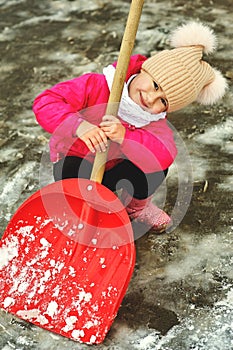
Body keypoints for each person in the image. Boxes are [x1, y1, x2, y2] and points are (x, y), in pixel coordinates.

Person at [33, 21, 227, 233]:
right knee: (73, 174)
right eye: (155, 85)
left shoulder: (153, 121)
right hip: (77, 160)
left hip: (115, 168)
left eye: (163, 101)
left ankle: (135, 208)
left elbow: (164, 154)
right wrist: (78, 126)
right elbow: (46, 102)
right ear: (144, 69)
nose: (151, 98)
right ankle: (77, 210)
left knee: (156, 168)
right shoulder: (97, 85)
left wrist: (126, 137)